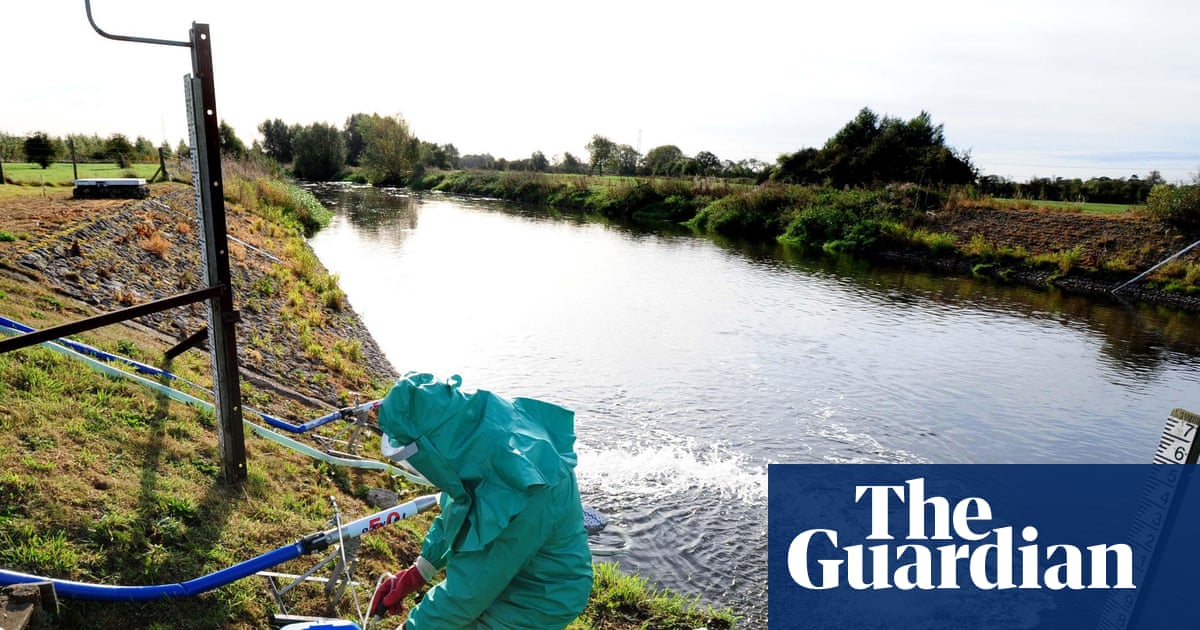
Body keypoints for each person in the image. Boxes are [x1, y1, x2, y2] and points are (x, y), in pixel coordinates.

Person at [370, 372, 593, 629]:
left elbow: (464, 598)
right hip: (511, 568)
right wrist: (416, 573)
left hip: (541, 595)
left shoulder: (519, 490)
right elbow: (461, 506)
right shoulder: (474, 434)